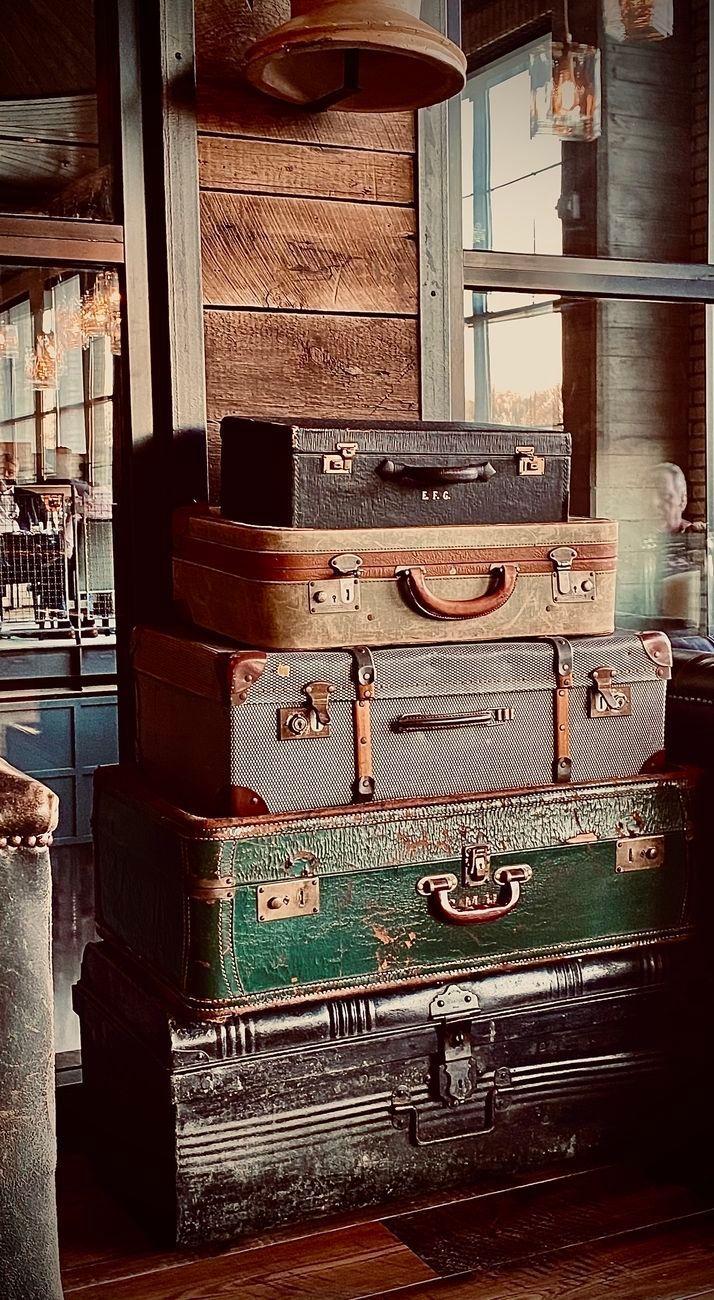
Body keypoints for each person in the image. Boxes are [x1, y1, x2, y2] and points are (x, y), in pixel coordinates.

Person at [652, 463, 713, 652]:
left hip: (697, 631)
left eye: (664, 495)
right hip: (658, 631)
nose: (654, 503)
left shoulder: (699, 538)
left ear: (682, 500)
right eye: (647, 495)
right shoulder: (631, 542)